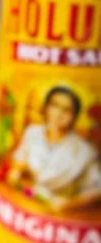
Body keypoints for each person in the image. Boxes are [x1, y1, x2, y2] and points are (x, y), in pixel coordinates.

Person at [6, 85, 101, 213]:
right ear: (46, 108)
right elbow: (20, 160)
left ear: (74, 116)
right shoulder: (33, 133)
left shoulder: (84, 151)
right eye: (55, 106)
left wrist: (70, 204)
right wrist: (16, 172)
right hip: (30, 202)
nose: (59, 113)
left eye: (67, 110)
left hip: (63, 213)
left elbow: (97, 191)